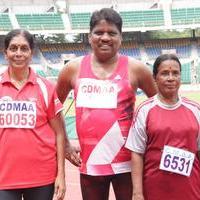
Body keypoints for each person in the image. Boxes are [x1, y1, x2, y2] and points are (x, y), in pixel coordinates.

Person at [56, 8, 157, 200]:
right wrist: (67, 145)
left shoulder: (137, 69)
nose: (105, 38)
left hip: (128, 164)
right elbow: (54, 108)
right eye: (99, 32)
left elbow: (158, 108)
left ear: (121, 37)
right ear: (89, 36)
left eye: (112, 33)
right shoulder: (72, 69)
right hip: (91, 162)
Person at [0, 29, 66, 200]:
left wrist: (61, 175)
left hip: (41, 178)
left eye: (24, 48)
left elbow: (59, 133)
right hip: (4, 178)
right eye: (13, 48)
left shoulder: (46, 88)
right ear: (5, 53)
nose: (18, 53)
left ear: (31, 53)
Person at [125, 53, 200, 200]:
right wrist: (137, 193)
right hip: (155, 190)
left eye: (175, 73)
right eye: (165, 73)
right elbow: (137, 153)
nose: (171, 78)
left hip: (190, 190)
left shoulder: (195, 110)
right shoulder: (145, 110)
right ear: (155, 77)